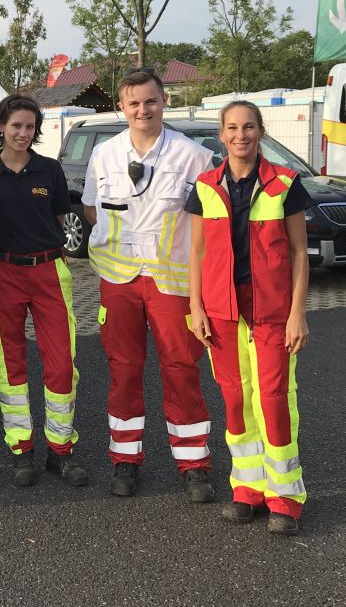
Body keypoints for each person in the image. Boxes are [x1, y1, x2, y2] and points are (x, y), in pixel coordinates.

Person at [82, 69, 216, 502]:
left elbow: (208, 224)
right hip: (118, 281)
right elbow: (90, 210)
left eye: (151, 101)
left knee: (181, 370)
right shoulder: (103, 155)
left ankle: (194, 465)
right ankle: (125, 460)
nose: (143, 109)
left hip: (172, 283)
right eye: (134, 102)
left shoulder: (194, 156)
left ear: (164, 102)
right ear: (122, 106)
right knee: (123, 370)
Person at [186, 101, 310, 535]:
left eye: (249, 127)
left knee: (274, 400)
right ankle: (247, 488)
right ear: (221, 134)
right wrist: (195, 306)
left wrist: (298, 313)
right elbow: (197, 252)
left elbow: (298, 253)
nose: (241, 135)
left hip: (273, 310)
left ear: (260, 131)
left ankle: (285, 497)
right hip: (222, 311)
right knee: (236, 400)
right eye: (233, 128)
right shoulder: (205, 186)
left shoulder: (286, 183)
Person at [0, 94, 87, 488]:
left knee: (60, 362)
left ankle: (61, 451)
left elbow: (58, 217)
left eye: (30, 126)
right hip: (3, 272)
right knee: (11, 365)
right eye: (16, 125)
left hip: (49, 271)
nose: (23, 133)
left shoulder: (50, 171)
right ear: (1, 126)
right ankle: (21, 450)